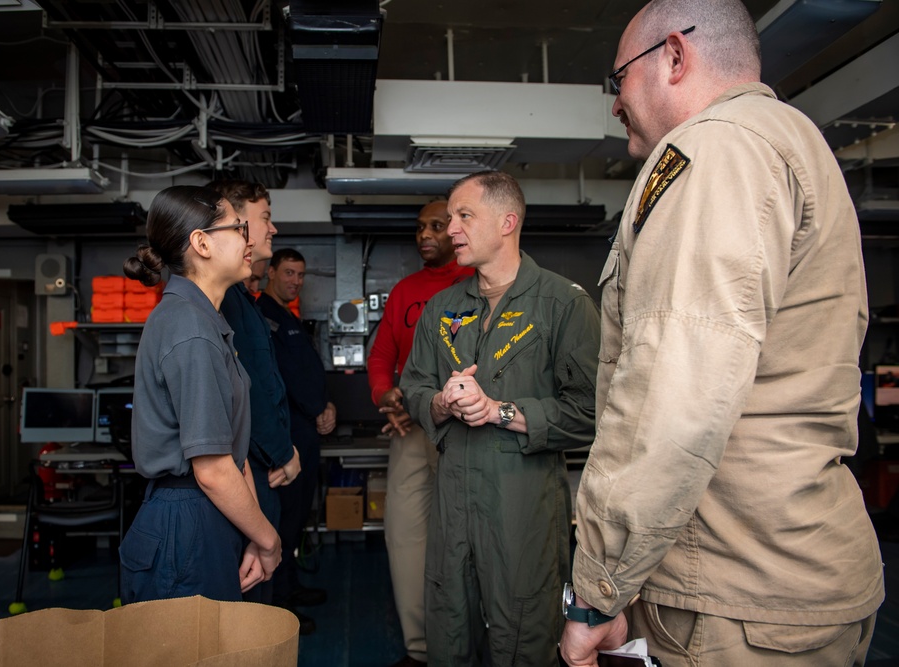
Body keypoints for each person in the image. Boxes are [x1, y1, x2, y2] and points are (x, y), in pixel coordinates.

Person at [559, 1, 885, 665]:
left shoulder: (713, 150)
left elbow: (672, 397)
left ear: (675, 56)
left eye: (617, 78)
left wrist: (598, 591)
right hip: (787, 571)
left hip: (739, 599)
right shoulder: (791, 141)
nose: (615, 102)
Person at [400, 171, 601, 666]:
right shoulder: (443, 308)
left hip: (522, 508)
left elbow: (591, 413)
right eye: (450, 219)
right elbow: (413, 386)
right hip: (451, 507)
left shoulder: (562, 305)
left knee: (524, 631)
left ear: (508, 221)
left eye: (464, 216)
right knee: (450, 625)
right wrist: (442, 403)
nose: (451, 230)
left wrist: (499, 411)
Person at [118, 185, 281, 605]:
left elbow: (230, 450)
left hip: (208, 511)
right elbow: (211, 468)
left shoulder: (203, 320)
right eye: (239, 227)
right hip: (186, 517)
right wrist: (268, 540)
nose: (249, 240)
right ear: (201, 242)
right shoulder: (190, 328)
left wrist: (251, 527)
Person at [366, 199, 474, 667]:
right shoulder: (405, 291)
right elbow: (379, 360)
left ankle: (469, 643)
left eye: (436, 226)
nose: (425, 235)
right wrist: (387, 398)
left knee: (466, 540)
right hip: (411, 431)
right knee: (405, 536)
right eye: (420, 228)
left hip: (468, 432)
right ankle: (420, 649)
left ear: (456, 230)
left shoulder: (476, 285)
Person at [210, 180, 301, 606]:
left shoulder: (240, 299)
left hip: (258, 467)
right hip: (253, 469)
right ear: (236, 222)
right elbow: (250, 393)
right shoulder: (222, 299)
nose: (273, 229)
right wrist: (284, 451)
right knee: (249, 605)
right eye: (265, 217)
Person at [257, 248, 335, 634]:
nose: (295, 281)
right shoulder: (264, 316)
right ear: (270, 272)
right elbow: (282, 379)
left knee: (297, 518)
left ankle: (290, 587)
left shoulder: (287, 317)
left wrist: (326, 404)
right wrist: (317, 406)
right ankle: (278, 606)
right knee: (284, 520)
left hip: (305, 431)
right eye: (288, 273)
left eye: (300, 275)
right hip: (288, 437)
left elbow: (305, 374)